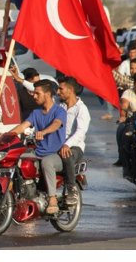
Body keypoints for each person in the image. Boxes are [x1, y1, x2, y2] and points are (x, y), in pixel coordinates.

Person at [9, 80, 66, 214]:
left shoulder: (59, 111)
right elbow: (23, 126)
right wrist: (8, 135)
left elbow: (57, 124)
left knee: (47, 162)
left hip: (56, 154)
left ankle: (52, 199)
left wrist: (44, 132)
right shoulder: (36, 113)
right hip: (38, 152)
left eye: (37, 93)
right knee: (16, 157)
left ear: (47, 94)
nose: (34, 96)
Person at [56, 76, 89, 206]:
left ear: (70, 90)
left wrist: (67, 144)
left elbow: (81, 131)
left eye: (61, 89)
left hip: (74, 147)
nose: (58, 92)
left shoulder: (81, 109)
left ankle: (71, 189)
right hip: (57, 144)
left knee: (66, 155)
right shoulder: (59, 105)